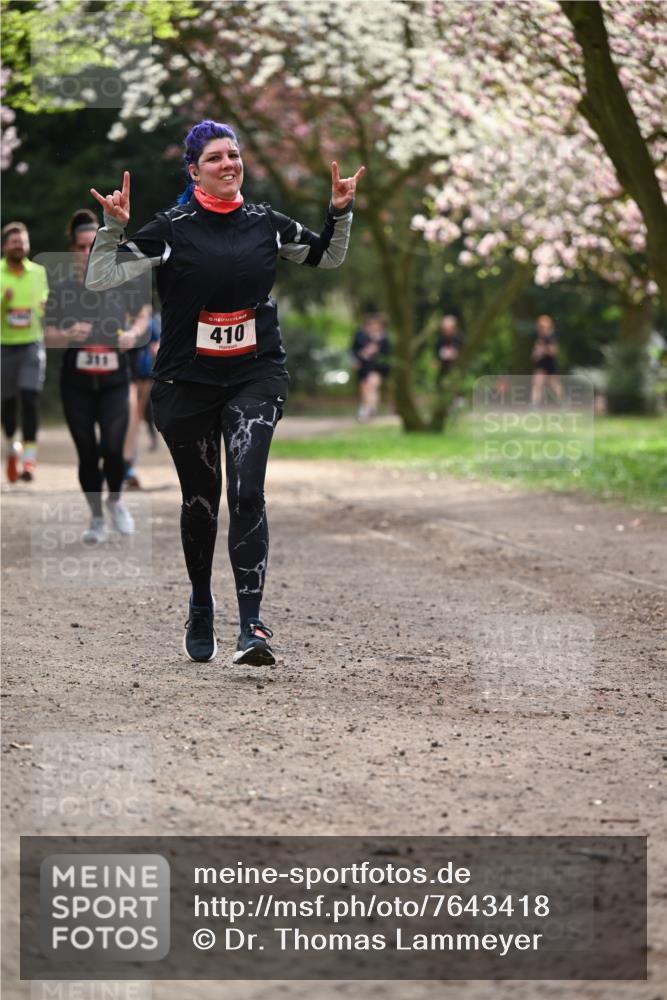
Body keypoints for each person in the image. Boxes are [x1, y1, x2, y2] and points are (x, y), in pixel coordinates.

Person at [86, 119, 364, 665]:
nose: (228, 164)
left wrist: (339, 212)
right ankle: (200, 601)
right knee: (200, 501)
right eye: (215, 158)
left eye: (233, 154)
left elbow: (326, 256)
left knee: (246, 491)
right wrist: (112, 229)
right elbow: (100, 277)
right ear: (194, 172)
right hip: (186, 381)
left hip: (255, 374)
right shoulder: (172, 229)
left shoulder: (265, 223)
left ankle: (251, 626)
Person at [44, 209, 148, 542]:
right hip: (76, 383)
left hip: (115, 380)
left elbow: (143, 314)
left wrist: (133, 333)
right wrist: (66, 334)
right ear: (72, 250)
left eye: (94, 246)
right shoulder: (62, 290)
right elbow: (45, 335)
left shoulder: (121, 283)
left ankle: (115, 500)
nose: (88, 252)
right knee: (88, 453)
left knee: (113, 450)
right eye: (81, 246)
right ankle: (96, 519)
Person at [1, 221, 49, 483]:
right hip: (4, 346)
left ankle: (29, 460)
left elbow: (44, 304)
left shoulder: (39, 272)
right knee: (7, 405)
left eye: (22, 241)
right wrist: (3, 302)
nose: (19, 245)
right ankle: (12, 448)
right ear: (4, 247)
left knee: (29, 398)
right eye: (14, 242)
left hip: (31, 344)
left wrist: (47, 305)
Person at [350, 312, 390, 421]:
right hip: (364, 367)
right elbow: (354, 350)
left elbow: (387, 354)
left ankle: (368, 410)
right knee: (365, 388)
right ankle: (369, 408)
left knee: (371, 386)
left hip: (377, 367)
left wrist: (376, 352)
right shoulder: (361, 335)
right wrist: (358, 358)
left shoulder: (384, 338)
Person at [531, 313, 563, 404]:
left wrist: (543, 349)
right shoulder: (540, 337)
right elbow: (536, 352)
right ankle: (535, 404)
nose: (541, 329)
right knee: (537, 383)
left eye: (543, 327)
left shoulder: (551, 336)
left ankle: (562, 402)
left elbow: (554, 351)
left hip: (550, 364)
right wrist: (536, 354)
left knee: (554, 385)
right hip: (541, 364)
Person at [435, 313, 463, 384]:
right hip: (443, 370)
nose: (445, 331)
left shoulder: (460, 339)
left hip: (459, 369)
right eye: (444, 329)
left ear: (454, 328)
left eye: (447, 329)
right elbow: (436, 355)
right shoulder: (440, 340)